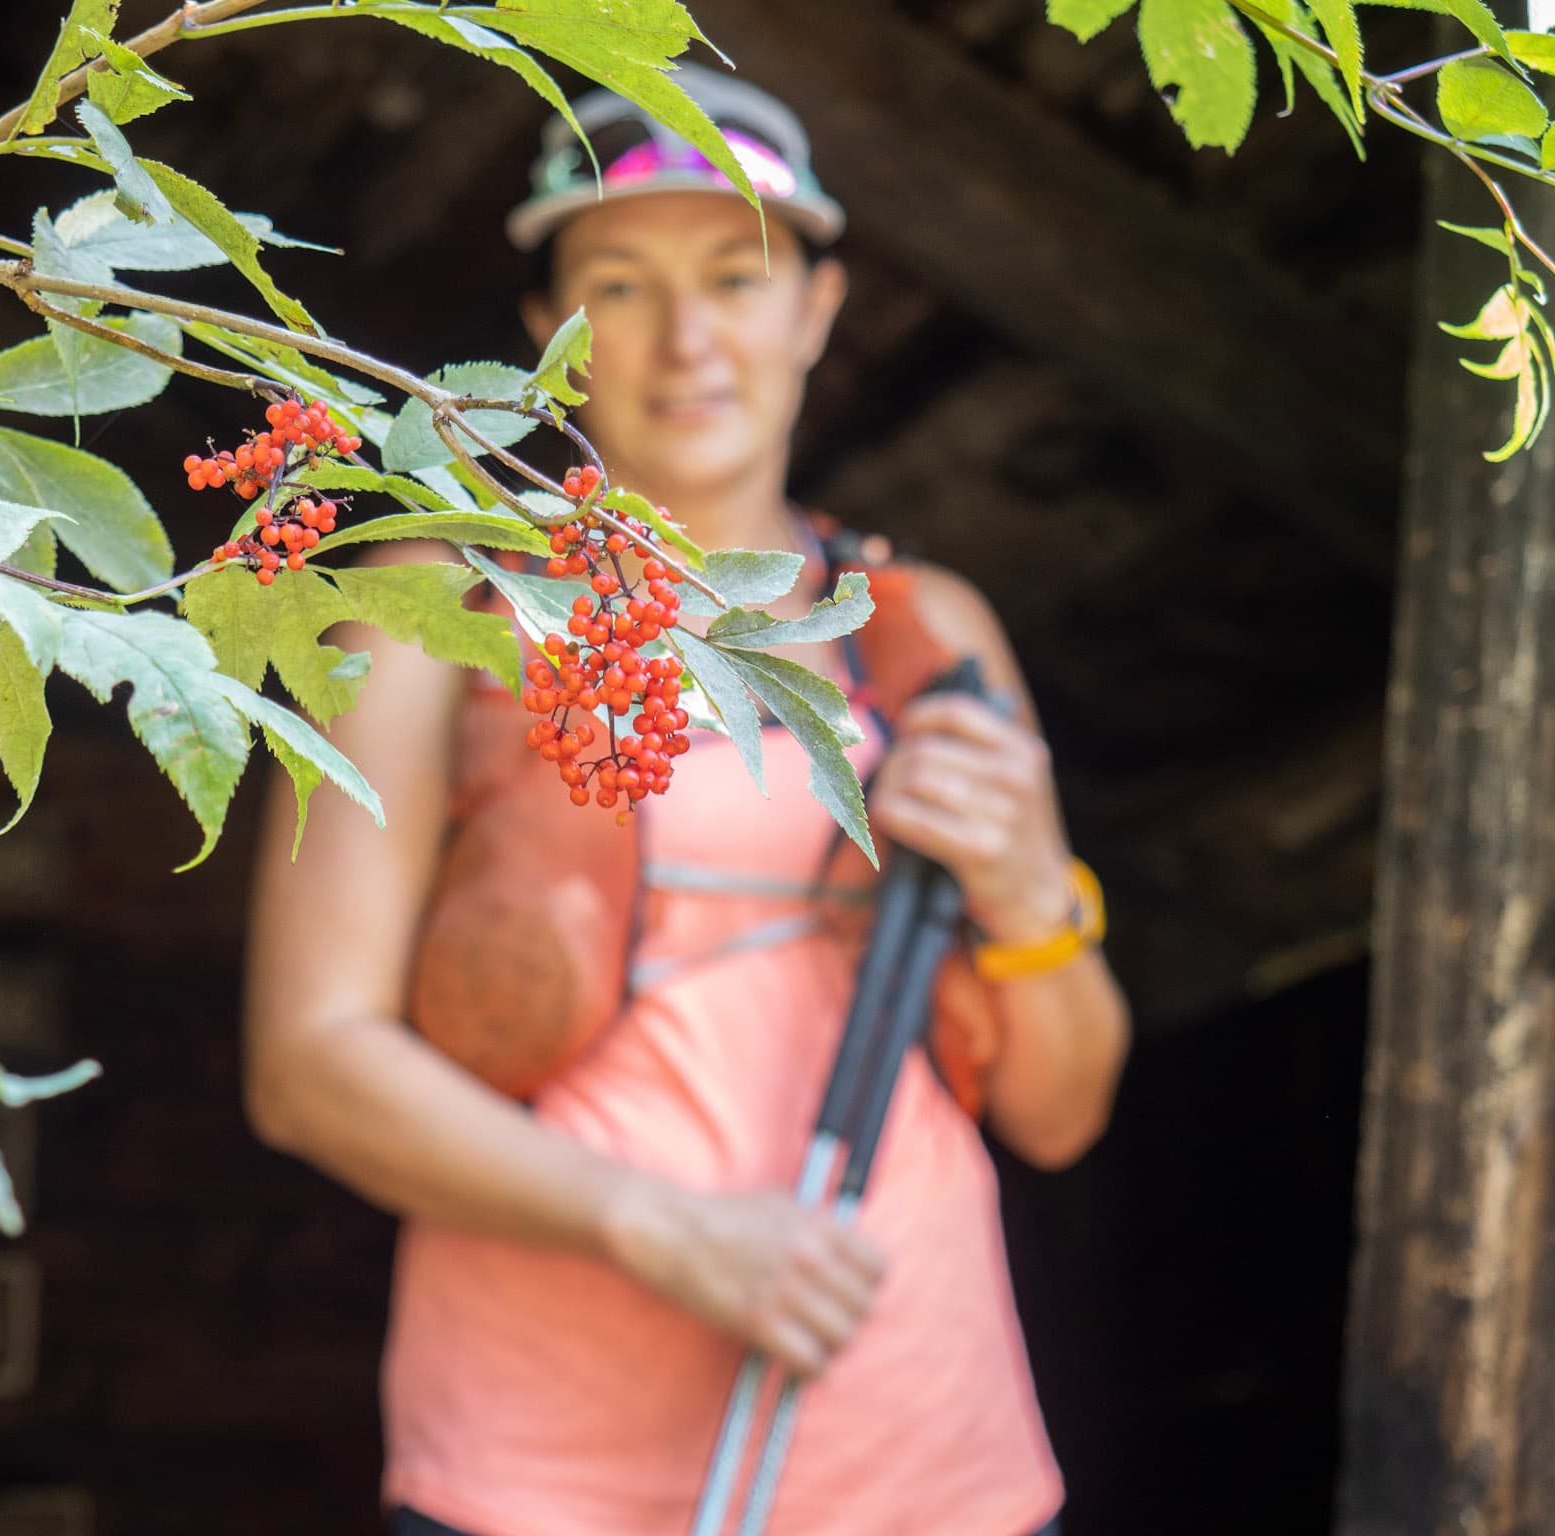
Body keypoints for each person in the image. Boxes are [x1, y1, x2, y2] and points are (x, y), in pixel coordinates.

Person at [243, 64, 1131, 1536]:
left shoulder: (927, 632)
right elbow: (309, 1063)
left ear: (818, 311)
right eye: (620, 287)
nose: (688, 338)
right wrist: (659, 1229)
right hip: (539, 1466)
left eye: (739, 274)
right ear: (547, 334)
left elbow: (1060, 1111)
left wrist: (1035, 893)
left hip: (925, 1449)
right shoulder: (432, 611)